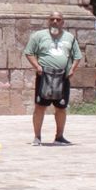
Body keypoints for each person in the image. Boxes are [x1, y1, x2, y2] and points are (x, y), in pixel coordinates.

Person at [23, 11, 80, 145]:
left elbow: (77, 56)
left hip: (62, 76)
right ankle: (37, 137)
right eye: (52, 19)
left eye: (58, 19)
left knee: (61, 107)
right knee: (40, 106)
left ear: (62, 22)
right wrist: (37, 66)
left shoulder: (70, 37)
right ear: (48, 21)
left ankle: (59, 136)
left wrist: (72, 69)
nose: (55, 21)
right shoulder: (38, 36)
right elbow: (29, 52)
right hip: (45, 76)